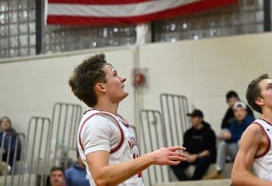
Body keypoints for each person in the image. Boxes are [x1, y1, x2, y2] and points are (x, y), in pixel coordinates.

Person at [68, 54, 185, 186]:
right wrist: (152, 157)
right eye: (115, 75)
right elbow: (101, 177)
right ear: (101, 87)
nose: (122, 78)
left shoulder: (112, 120)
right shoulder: (96, 123)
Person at [208, 101, 254, 179]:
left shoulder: (250, 121)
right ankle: (218, 171)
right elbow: (232, 139)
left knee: (241, 142)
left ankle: (246, 170)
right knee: (223, 144)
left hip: (251, 154)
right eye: (236, 111)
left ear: (246, 112)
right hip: (238, 152)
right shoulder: (234, 123)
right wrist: (226, 137)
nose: (239, 113)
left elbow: (246, 137)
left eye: (241, 110)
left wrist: (231, 137)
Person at [171, 109, 216, 181]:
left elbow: (209, 151)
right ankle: (185, 182)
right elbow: (184, 148)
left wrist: (196, 156)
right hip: (190, 157)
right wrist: (188, 156)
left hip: (202, 157)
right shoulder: (188, 133)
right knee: (173, 161)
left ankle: (194, 180)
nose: (192, 120)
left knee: (204, 160)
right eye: (191, 118)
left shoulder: (209, 132)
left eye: (194, 117)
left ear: (200, 119)